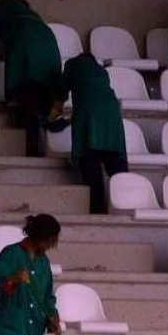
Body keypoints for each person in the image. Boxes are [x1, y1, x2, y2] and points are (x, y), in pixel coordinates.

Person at [0, 0, 63, 157]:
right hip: (50, 50)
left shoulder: (5, 10)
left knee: (29, 105)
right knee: (43, 103)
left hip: (26, 52)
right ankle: (44, 143)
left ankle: (32, 152)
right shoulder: (34, 17)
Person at [49, 46, 129, 214]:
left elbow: (61, 94)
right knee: (116, 164)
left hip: (89, 115)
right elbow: (96, 101)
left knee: (91, 162)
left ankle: (97, 210)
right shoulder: (101, 72)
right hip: (112, 117)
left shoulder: (73, 65)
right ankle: (126, 205)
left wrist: (50, 118)